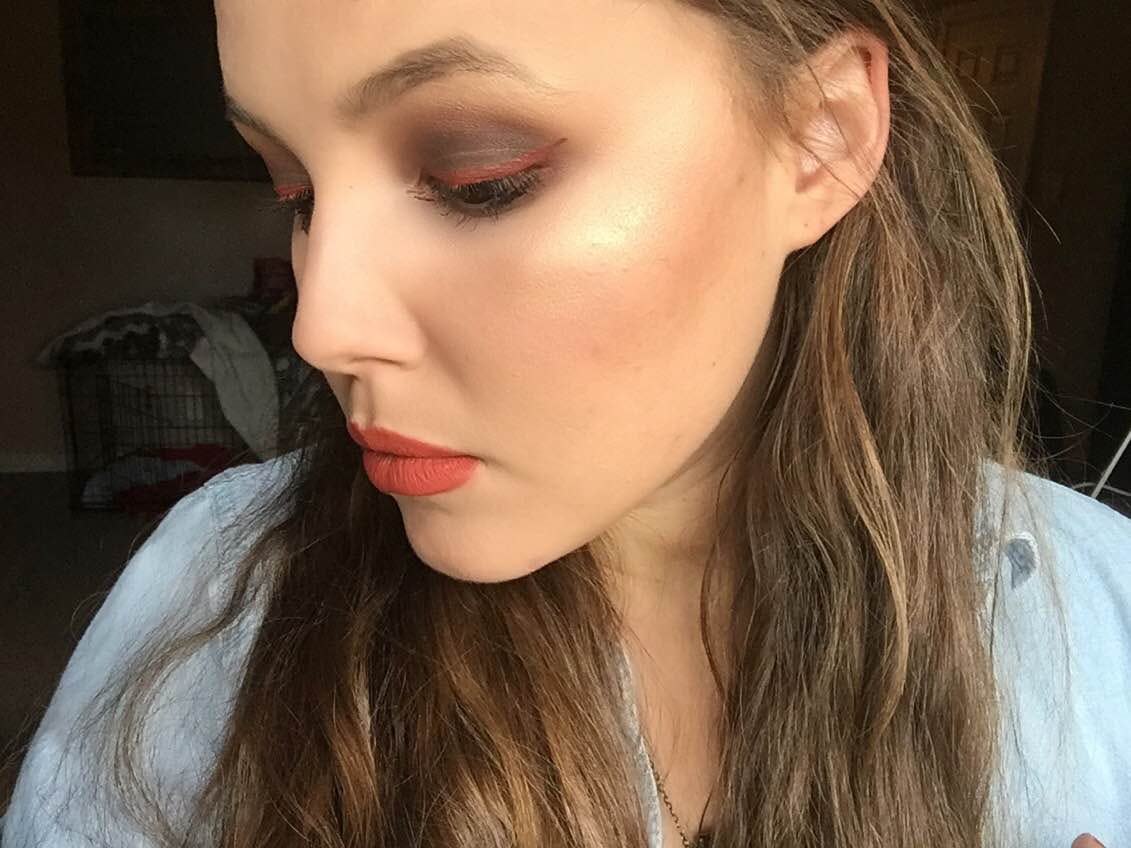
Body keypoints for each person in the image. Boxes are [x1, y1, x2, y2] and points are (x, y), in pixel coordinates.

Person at [3, 0, 1129, 846]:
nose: (323, 326)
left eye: (479, 178)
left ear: (820, 138)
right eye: (295, 191)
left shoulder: (1098, 610)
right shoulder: (216, 599)